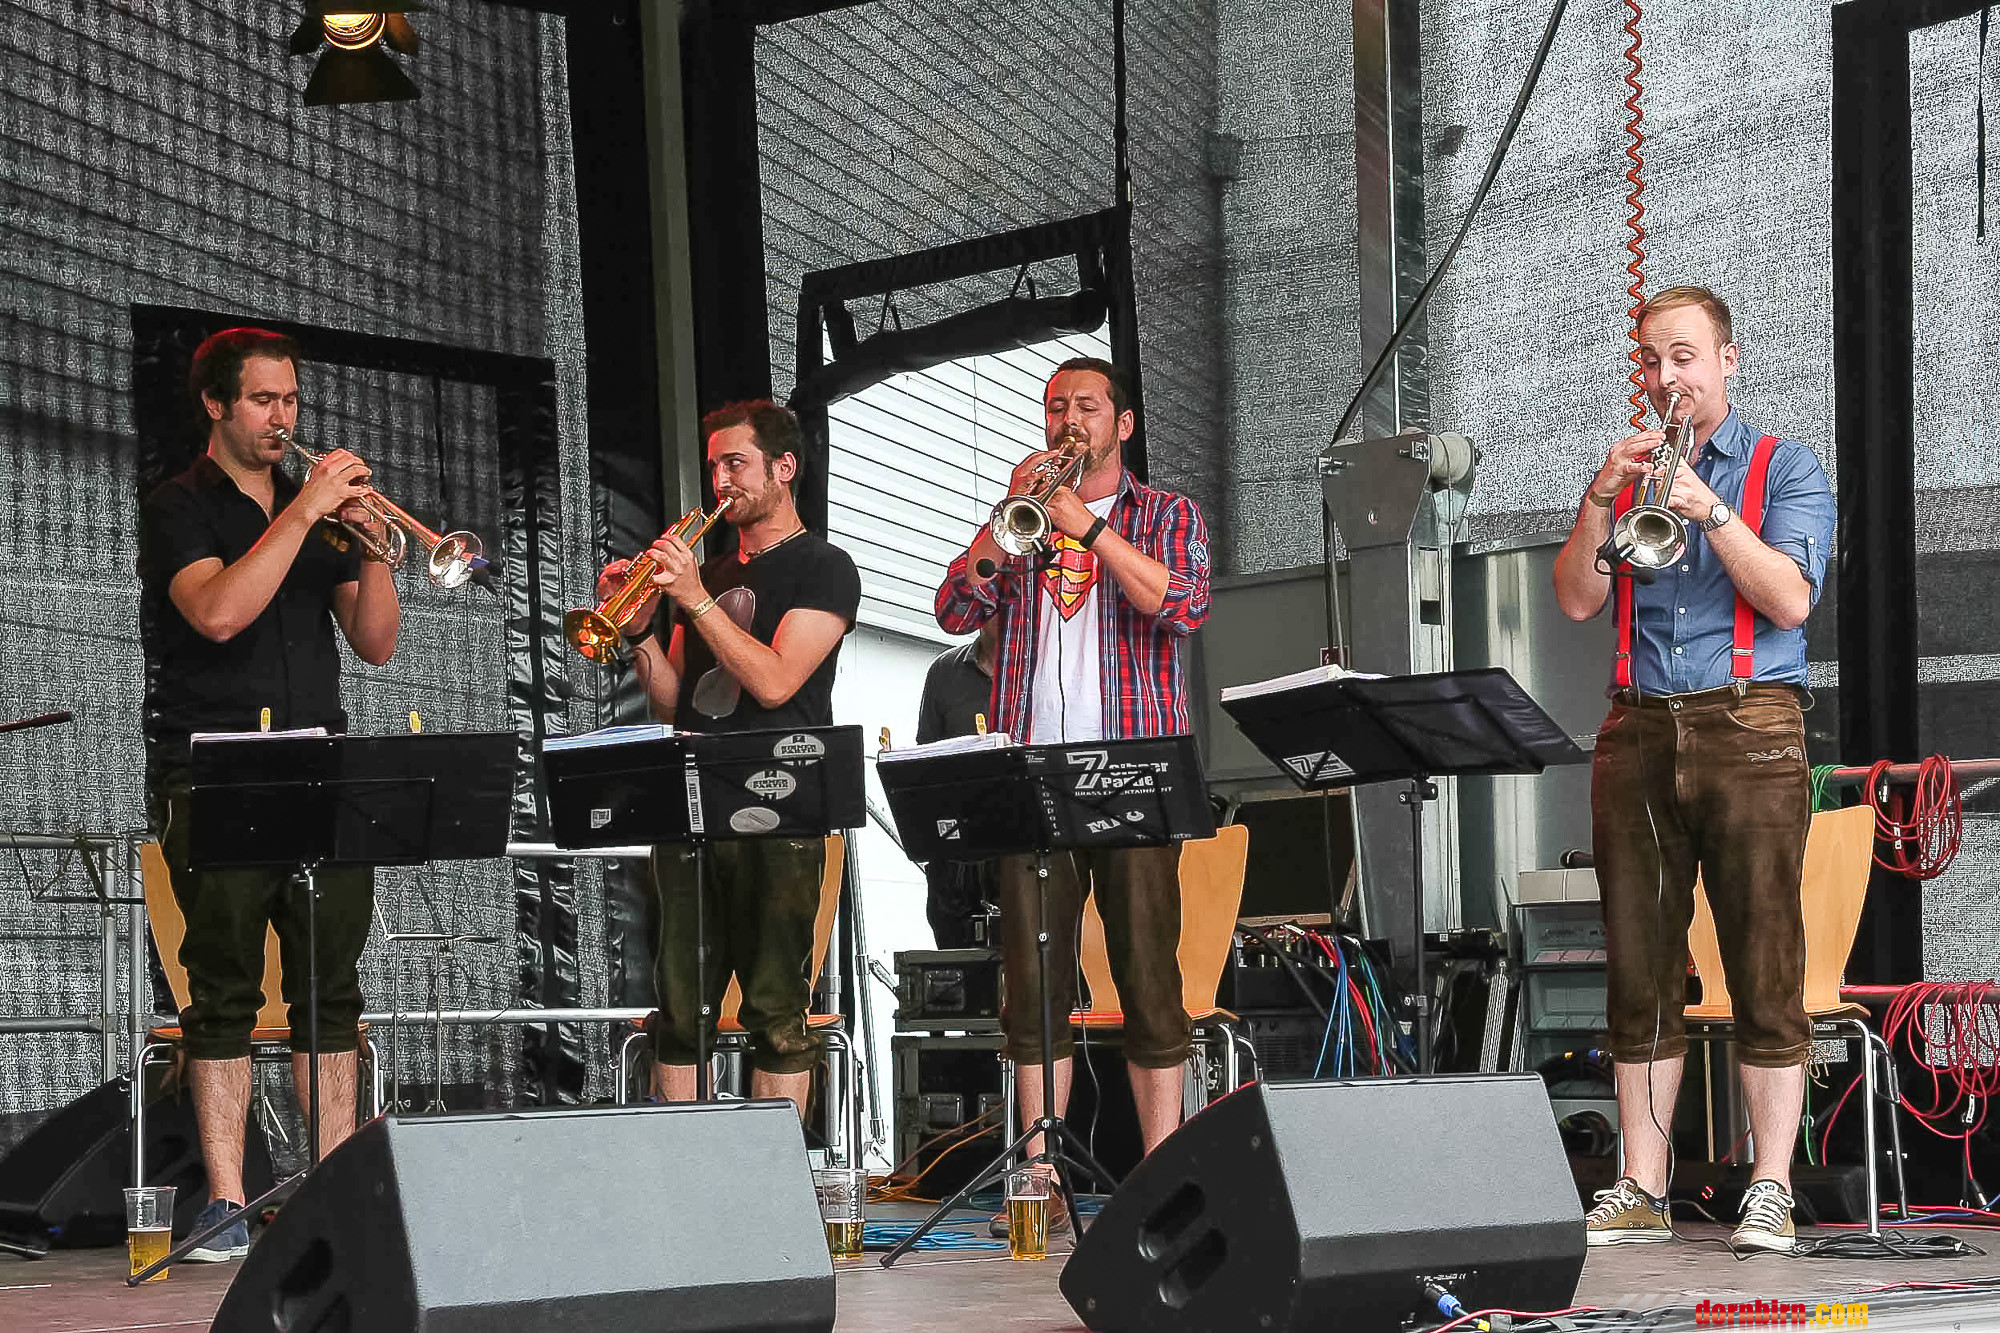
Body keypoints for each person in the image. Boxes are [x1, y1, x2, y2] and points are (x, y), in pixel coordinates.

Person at [1553, 286, 1834, 1253]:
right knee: (1638, 966)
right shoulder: (1630, 472)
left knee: (1764, 960)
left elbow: (1791, 600)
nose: (1665, 377)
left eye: (1683, 356)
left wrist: (1707, 508)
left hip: (1751, 721)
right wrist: (1601, 497)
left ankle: (1770, 1185)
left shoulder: (1785, 465)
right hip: (1637, 725)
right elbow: (1577, 601)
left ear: (1727, 358)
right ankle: (1640, 1184)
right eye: (1650, 359)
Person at [137, 327, 402, 1261]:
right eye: (262, 400)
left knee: (332, 991)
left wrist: (373, 546)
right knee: (224, 992)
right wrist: (304, 513)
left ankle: (327, 1193)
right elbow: (217, 612)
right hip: (215, 764)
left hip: (319, 762)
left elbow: (376, 643)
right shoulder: (177, 505)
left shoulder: (312, 509)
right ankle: (225, 1201)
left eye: (290, 399)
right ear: (216, 404)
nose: (282, 417)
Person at [935, 356, 1211, 1231]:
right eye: (1055, 406)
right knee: (1033, 983)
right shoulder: (1024, 519)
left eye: (1085, 405)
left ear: (1121, 424)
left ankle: (1163, 1174)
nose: (1067, 419)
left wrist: (1086, 526)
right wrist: (1005, 519)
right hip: (1033, 775)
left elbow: (1184, 605)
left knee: (1149, 978)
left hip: (1133, 768)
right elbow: (953, 611)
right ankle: (1039, 1174)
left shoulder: (1167, 515)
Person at [603, 400, 860, 1121]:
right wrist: (638, 633)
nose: (721, 479)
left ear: (784, 468)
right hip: (692, 803)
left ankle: (772, 1173)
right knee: (680, 1008)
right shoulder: (712, 570)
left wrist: (694, 599)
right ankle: (687, 1169)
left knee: (776, 1010)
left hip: (781, 805)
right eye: (716, 464)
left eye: (736, 463)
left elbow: (776, 682)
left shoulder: (825, 567)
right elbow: (673, 702)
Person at [914, 618, 1000, 947]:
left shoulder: (1042, 670)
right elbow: (926, 759)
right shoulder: (945, 670)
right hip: (957, 846)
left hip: (1023, 848)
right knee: (954, 950)